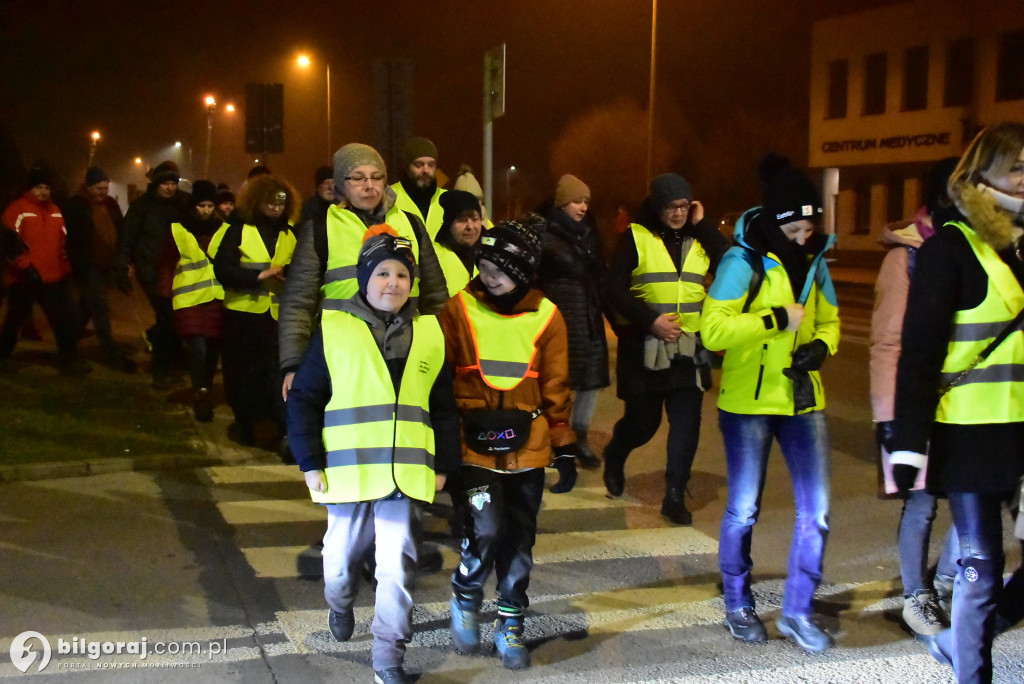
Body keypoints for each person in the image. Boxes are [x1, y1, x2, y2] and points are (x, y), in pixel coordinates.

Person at [287, 226, 459, 684]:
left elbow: (442, 407)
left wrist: (445, 465)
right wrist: (309, 463)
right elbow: (303, 399)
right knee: (339, 565)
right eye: (382, 272)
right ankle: (339, 605)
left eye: (402, 274)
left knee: (396, 570)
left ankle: (388, 658)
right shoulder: (334, 329)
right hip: (345, 474)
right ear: (365, 278)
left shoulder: (430, 332)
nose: (392, 283)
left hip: (404, 477)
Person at [891, 122, 1024, 683]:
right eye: (1017, 166)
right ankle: (972, 672)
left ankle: (959, 639)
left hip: (1020, 432)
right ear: (980, 175)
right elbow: (918, 354)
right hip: (970, 437)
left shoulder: (1019, 246)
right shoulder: (950, 249)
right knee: (982, 567)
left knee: (989, 579)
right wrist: (906, 442)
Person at [701, 155, 839, 652]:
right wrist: (774, 320)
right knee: (743, 508)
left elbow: (830, 321)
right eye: (797, 227)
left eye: (811, 226)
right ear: (779, 223)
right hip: (748, 405)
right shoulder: (743, 262)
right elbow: (712, 329)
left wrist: (821, 345)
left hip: (802, 401)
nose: (806, 236)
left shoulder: (817, 261)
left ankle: (799, 612)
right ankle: (737, 603)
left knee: (817, 511)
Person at [441, 218, 580, 671]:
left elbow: (558, 386)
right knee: (485, 529)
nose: (488, 272)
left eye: (500, 265)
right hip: (472, 445)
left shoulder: (548, 316)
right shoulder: (457, 309)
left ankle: (510, 621)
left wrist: (564, 445)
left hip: (529, 446)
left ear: (523, 269)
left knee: (520, 538)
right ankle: (465, 592)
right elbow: (438, 381)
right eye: (483, 262)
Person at [603, 173, 728, 524]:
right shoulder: (636, 237)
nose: (678, 214)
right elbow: (613, 288)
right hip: (646, 346)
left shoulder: (699, 237)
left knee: (686, 423)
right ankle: (616, 452)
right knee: (644, 424)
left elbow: (732, 265)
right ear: (657, 206)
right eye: (672, 207)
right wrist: (650, 321)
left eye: (684, 206)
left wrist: (704, 227)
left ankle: (674, 494)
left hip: (689, 349)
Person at [870, 157, 961, 638]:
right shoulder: (905, 257)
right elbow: (888, 342)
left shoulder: (980, 249)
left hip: (971, 401)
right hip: (920, 399)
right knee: (923, 503)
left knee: (974, 497)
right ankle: (916, 596)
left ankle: (947, 581)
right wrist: (890, 415)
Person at [278, 143, 448, 394]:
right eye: (358, 178)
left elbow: (435, 297)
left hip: (406, 352)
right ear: (340, 184)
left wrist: (441, 352)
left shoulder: (411, 224)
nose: (370, 185)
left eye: (377, 177)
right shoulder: (320, 229)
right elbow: (298, 303)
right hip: (342, 354)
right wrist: (293, 365)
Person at [213, 174, 298, 449]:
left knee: (276, 375)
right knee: (244, 376)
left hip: (278, 317)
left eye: (280, 203)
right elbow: (223, 270)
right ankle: (247, 425)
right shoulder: (237, 229)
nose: (276, 208)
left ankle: (280, 429)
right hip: (243, 315)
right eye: (270, 203)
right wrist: (261, 275)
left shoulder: (291, 232)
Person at [537, 174, 610, 471]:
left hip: (589, 319)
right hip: (561, 320)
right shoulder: (546, 234)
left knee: (590, 383)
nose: (582, 207)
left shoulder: (589, 234)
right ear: (563, 203)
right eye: (576, 201)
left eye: (585, 201)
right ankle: (557, 441)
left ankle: (579, 436)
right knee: (557, 384)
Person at [0, 166, 90, 375]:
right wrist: (25, 267)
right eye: (39, 187)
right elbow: (10, 244)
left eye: (47, 187)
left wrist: (65, 268)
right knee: (15, 319)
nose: (43, 192)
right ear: (30, 188)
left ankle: (69, 359)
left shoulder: (56, 211)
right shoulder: (17, 210)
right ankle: (3, 356)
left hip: (51, 277)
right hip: (25, 278)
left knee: (61, 320)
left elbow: (62, 243)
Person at [157, 180, 226, 422]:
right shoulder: (178, 229)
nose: (206, 210)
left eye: (209, 205)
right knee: (197, 347)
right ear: (193, 205)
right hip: (188, 298)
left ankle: (205, 386)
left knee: (212, 349)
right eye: (201, 205)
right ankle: (200, 390)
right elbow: (167, 262)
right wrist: (165, 295)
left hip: (216, 298)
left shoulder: (224, 228)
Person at [118, 160, 190, 387]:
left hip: (178, 270)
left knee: (173, 318)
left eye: (173, 183)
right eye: (165, 183)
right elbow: (127, 237)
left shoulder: (183, 204)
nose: (170, 188)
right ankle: (163, 369)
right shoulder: (142, 206)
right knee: (167, 318)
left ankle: (173, 360)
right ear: (156, 184)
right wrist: (123, 265)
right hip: (151, 270)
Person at [62, 166, 135, 372]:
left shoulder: (110, 204)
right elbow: (71, 237)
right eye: (98, 188)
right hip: (88, 265)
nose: (103, 192)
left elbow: (120, 229)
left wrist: (123, 258)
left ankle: (68, 342)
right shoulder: (77, 206)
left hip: (107, 264)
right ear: (88, 186)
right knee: (99, 308)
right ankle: (110, 351)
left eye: (106, 187)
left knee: (86, 306)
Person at [390, 136, 446, 237]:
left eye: (431, 165)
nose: (426, 170)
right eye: (419, 165)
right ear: (407, 166)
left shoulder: (447, 199)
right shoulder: (389, 196)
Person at [434, 189, 482, 296]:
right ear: (448, 224)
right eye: (462, 220)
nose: (470, 226)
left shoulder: (487, 254)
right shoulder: (433, 256)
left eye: (475, 219)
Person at [297, 164, 337, 236]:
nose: (330, 187)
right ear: (317, 187)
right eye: (326, 182)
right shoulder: (307, 210)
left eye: (333, 182)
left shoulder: (342, 208)